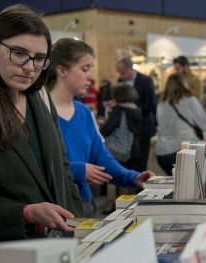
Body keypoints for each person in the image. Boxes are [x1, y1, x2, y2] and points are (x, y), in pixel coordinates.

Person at [0, 5, 83, 241]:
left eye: (39, 59)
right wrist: (26, 213)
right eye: (18, 52)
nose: (29, 67)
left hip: (57, 244)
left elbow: (62, 172)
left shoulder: (41, 98)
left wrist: (82, 225)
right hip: (11, 256)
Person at [48, 39, 154, 218]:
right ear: (62, 70)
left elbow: (102, 158)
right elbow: (38, 167)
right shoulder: (40, 112)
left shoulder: (84, 113)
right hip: (53, 207)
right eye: (84, 69)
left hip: (84, 204)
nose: (92, 77)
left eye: (91, 68)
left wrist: (133, 177)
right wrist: (78, 170)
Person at [156, 73, 206, 176]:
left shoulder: (161, 103)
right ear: (184, 83)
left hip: (162, 152)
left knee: (176, 184)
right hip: (183, 149)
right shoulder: (189, 100)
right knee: (189, 185)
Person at [116, 56, 156, 172]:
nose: (121, 76)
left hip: (143, 126)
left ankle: (141, 189)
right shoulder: (120, 81)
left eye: (123, 72)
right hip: (127, 129)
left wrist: (132, 109)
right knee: (127, 164)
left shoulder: (145, 80)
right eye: (119, 73)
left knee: (141, 164)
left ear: (131, 68)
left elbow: (151, 105)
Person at [99, 83, 142, 163]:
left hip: (119, 151)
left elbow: (105, 130)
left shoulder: (118, 111)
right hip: (134, 150)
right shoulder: (136, 110)